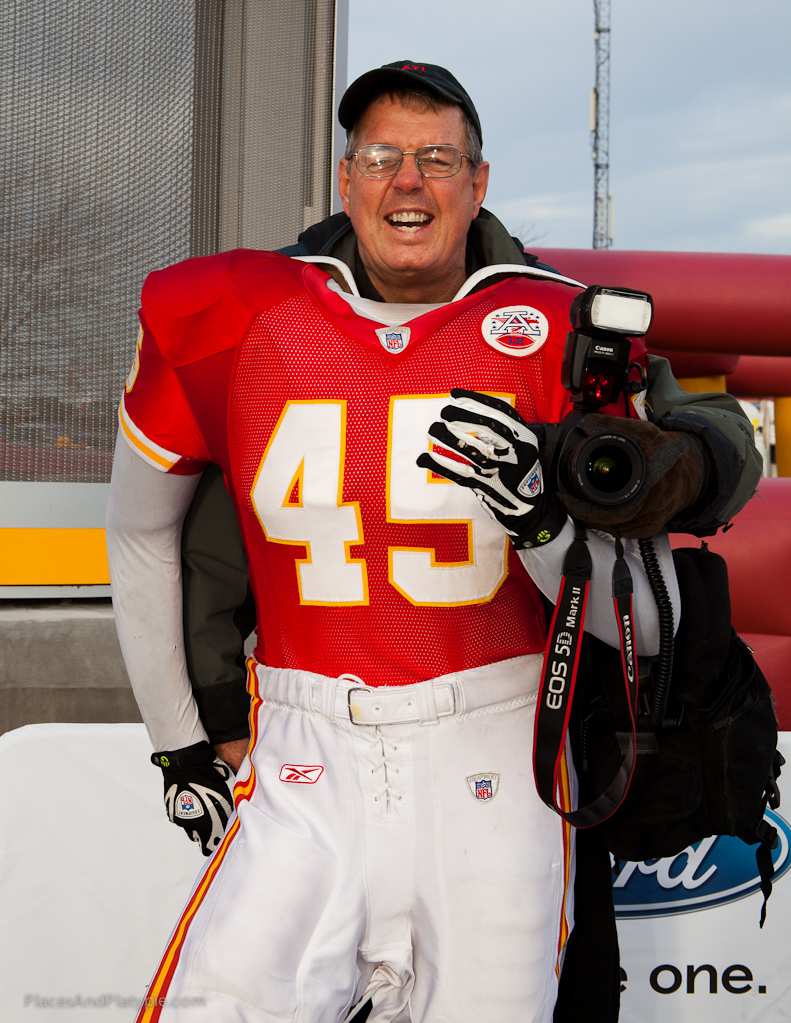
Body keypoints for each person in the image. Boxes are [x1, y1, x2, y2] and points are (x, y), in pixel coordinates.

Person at [107, 61, 761, 1023]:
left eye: (436, 158)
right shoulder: (243, 314)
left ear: (478, 182)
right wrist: (180, 736)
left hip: (499, 739)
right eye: (381, 155)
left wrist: (543, 516)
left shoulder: (563, 330)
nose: (407, 180)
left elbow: (642, 604)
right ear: (345, 177)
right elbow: (145, 531)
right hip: (302, 740)